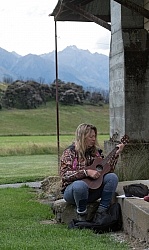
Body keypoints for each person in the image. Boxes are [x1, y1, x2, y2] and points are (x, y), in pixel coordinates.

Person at [60, 123, 125, 222]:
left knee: (112, 177)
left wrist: (116, 155)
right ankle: (82, 215)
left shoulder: (95, 152)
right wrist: (86, 172)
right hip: (73, 193)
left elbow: (107, 171)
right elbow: (64, 175)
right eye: (91, 136)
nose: (94, 139)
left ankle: (101, 212)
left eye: (94, 136)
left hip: (92, 191)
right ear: (82, 137)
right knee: (80, 185)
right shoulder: (69, 152)